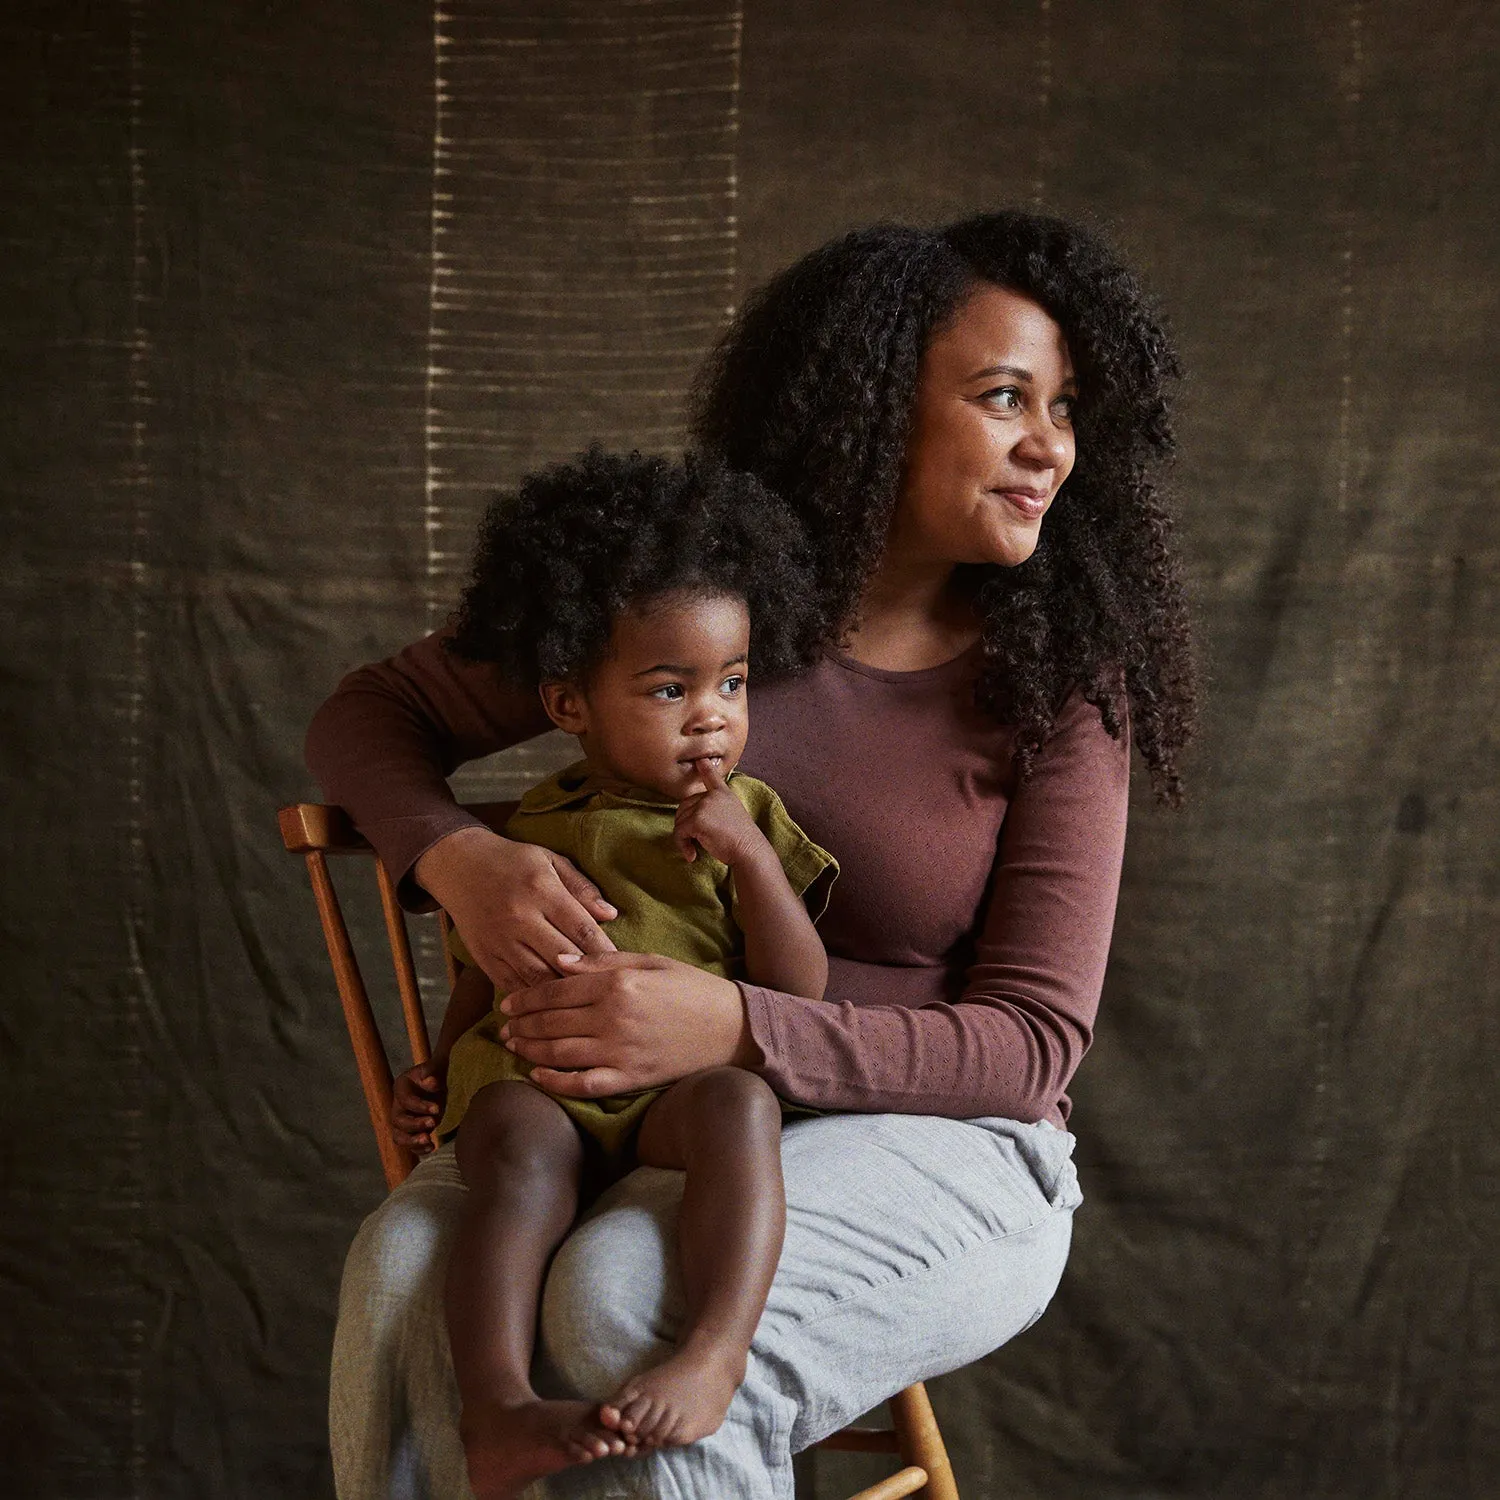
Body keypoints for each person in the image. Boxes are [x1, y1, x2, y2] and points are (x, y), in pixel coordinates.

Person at [306, 209, 1196, 1499]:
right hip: (623, 1116)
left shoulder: (1056, 681)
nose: (1050, 445)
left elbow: (1029, 1049)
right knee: (399, 1275)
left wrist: (734, 1025)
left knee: (622, 1296)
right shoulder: (690, 604)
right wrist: (456, 859)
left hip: (946, 1141)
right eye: (1006, 397)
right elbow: (369, 718)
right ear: (875, 405)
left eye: (1066, 408)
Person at [407, 449, 838, 1497]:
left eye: (732, 684)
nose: (711, 716)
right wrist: (436, 1062)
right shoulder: (529, 828)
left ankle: (714, 1349)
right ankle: (499, 1408)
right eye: (668, 687)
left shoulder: (752, 819)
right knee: (508, 1151)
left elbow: (801, 992)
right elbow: (486, 967)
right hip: (544, 1085)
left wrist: (747, 860)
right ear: (569, 703)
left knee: (740, 1106)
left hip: (670, 1099)